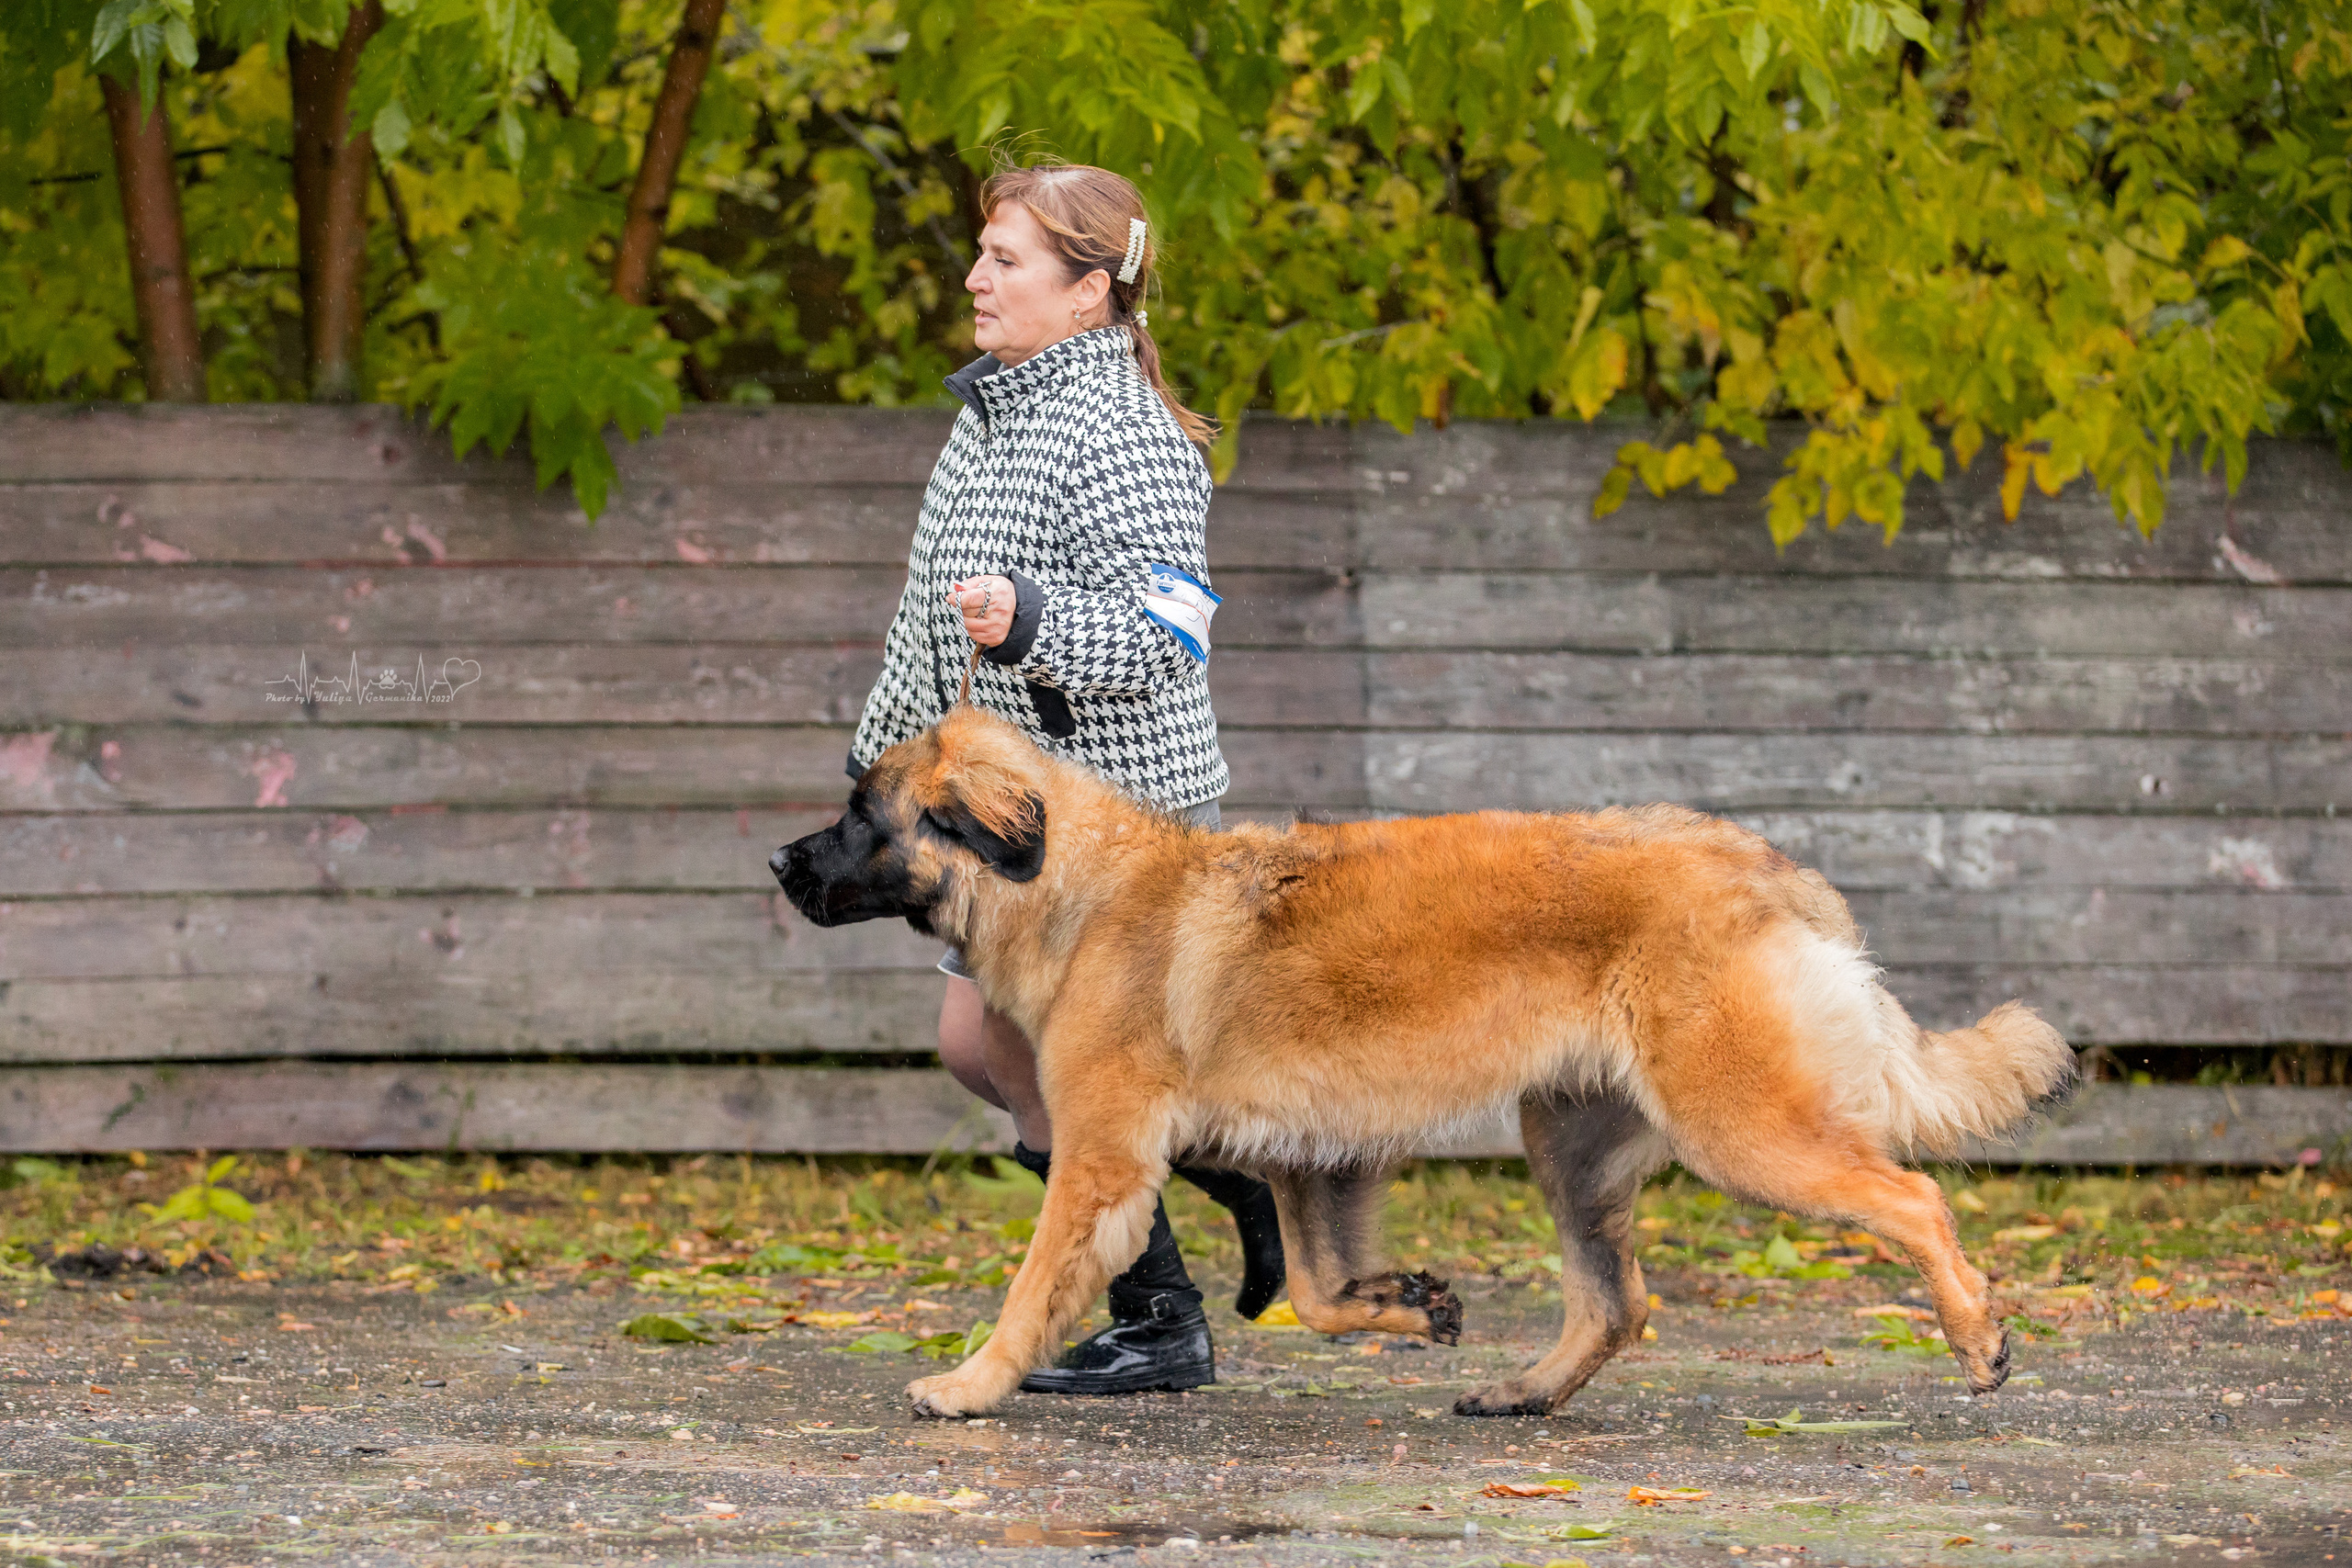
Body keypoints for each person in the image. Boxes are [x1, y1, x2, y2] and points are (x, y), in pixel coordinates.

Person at [845, 162, 1284, 1395]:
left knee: (1018, 1053)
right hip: (1011, 820)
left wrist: (1030, 618)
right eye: (981, 254)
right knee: (982, 1054)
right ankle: (1230, 1171)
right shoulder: (993, 414)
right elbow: (922, 623)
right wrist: (876, 770)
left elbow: (1167, 638)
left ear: (1090, 289)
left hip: (1118, 821)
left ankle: (1161, 1319)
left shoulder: (1126, 433)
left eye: (1008, 261)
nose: (976, 279)